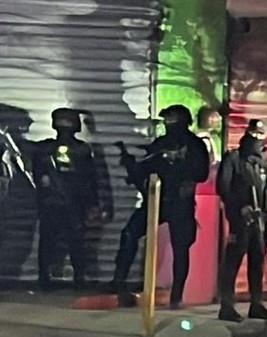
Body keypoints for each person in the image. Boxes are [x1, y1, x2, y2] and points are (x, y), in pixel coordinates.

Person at [109, 105, 210, 308]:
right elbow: (145, 168)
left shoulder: (195, 145)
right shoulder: (161, 143)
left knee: (181, 248)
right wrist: (131, 165)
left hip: (180, 204)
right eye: (167, 121)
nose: (168, 124)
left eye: (172, 120)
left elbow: (202, 173)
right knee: (129, 234)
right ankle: (118, 283)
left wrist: (182, 172)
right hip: (156, 201)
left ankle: (177, 296)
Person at [216, 120, 267, 322]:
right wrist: (239, 208)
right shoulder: (234, 158)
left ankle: (256, 304)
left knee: (257, 263)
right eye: (254, 134)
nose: (257, 138)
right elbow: (223, 188)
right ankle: (226, 306)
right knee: (232, 262)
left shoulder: (264, 160)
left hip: (261, 221)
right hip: (240, 220)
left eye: (261, 135)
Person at [32, 108, 100, 288]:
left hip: (71, 202)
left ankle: (74, 279)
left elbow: (90, 179)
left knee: (72, 243)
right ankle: (47, 278)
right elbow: (37, 175)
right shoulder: (46, 149)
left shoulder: (80, 149)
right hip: (56, 203)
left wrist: (92, 204)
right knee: (52, 241)